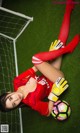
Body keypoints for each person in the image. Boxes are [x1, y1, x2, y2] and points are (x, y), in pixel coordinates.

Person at [0, 0, 79, 116]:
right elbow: (47, 112)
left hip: (48, 73)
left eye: (10, 98)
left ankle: (69, 7)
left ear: (8, 92)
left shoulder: (17, 81)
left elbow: (36, 68)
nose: (16, 99)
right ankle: (68, 49)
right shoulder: (31, 102)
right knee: (36, 58)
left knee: (59, 43)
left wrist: (51, 53)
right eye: (14, 104)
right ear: (16, 107)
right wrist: (53, 96)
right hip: (57, 82)